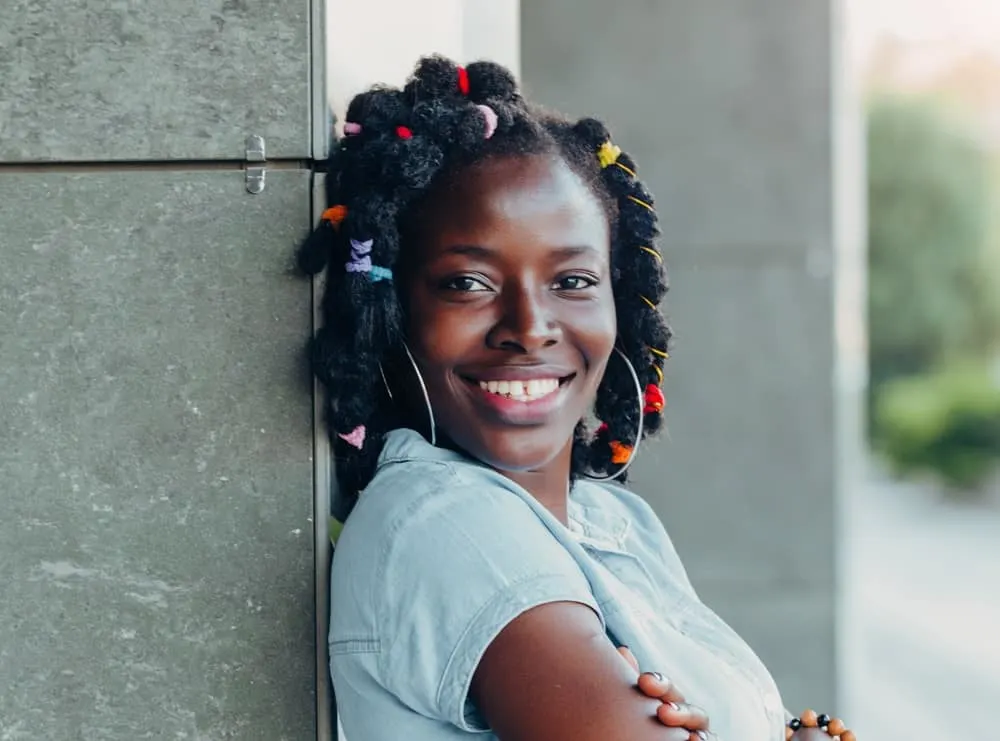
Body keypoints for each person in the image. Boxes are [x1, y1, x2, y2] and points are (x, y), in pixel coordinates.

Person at [298, 55, 856, 741]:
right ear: (391, 309)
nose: (530, 327)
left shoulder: (616, 522)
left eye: (572, 281)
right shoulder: (447, 525)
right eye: (467, 283)